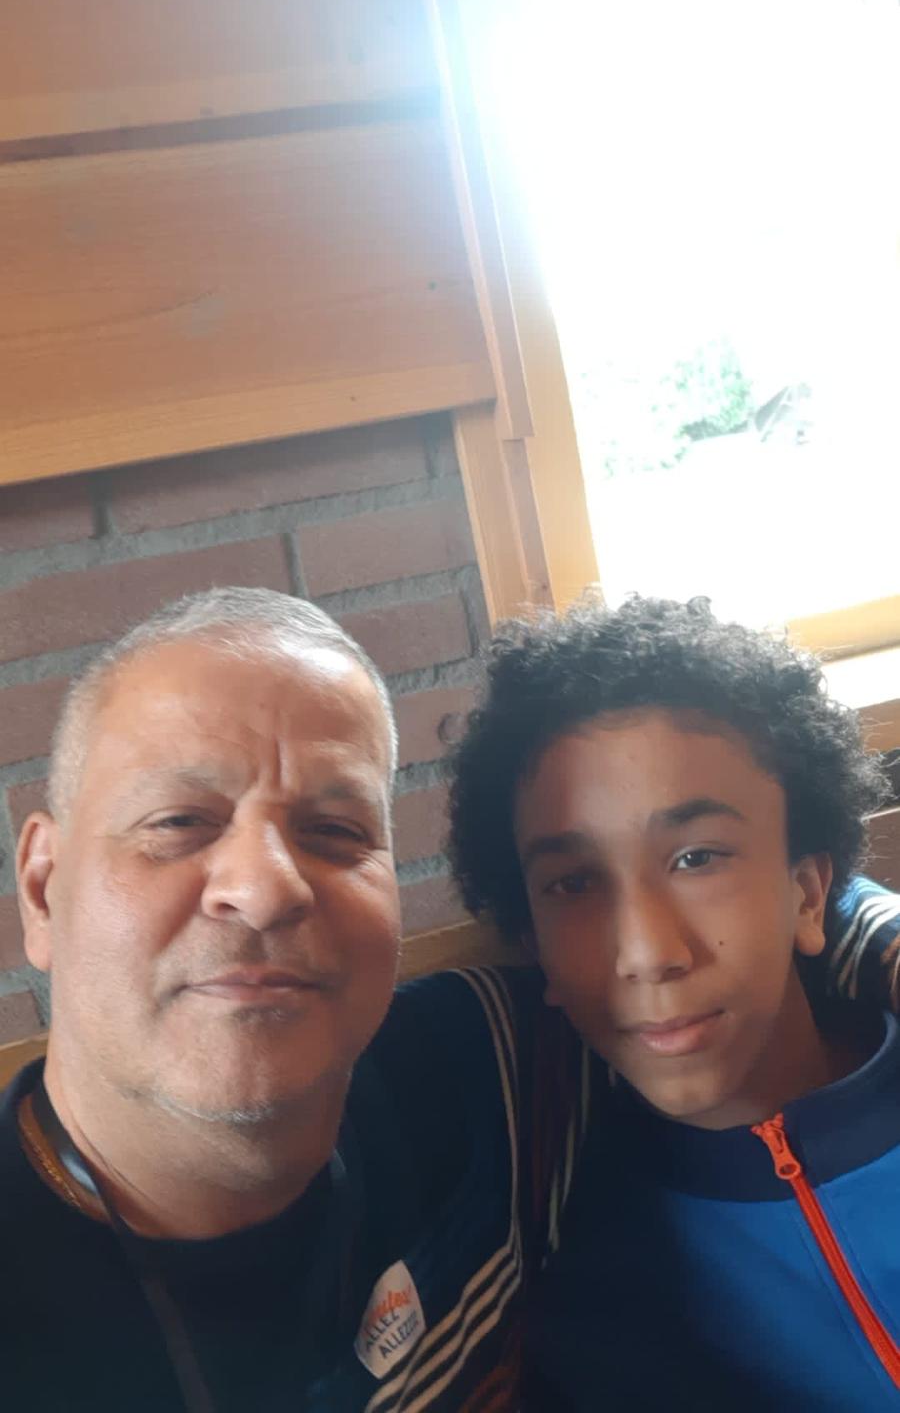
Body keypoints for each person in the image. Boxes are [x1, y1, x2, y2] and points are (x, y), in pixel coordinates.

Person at [5, 586, 548, 1413]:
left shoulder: (488, 1070)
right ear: (43, 891)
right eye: (179, 821)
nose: (265, 889)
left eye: (336, 831)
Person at [448, 594, 900, 1411]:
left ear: (806, 895)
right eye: (574, 884)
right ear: (535, 948)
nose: (648, 952)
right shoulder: (588, 1301)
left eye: (696, 858)